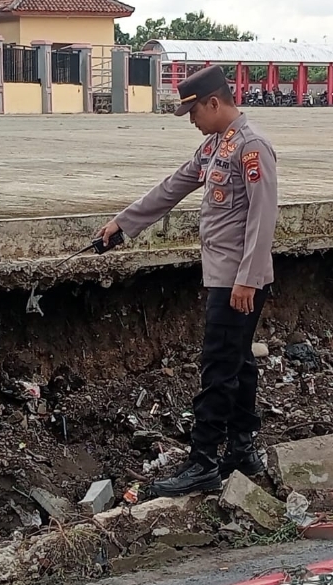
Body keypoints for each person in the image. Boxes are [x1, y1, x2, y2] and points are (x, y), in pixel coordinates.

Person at [96, 65, 279, 498]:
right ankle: (241, 449)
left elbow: (263, 216)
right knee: (238, 363)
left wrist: (247, 279)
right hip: (224, 276)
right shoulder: (216, 145)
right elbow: (172, 187)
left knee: (217, 368)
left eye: (194, 112)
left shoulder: (251, 148)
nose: (191, 120)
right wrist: (123, 224)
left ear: (214, 103)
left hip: (238, 281)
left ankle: (203, 463)